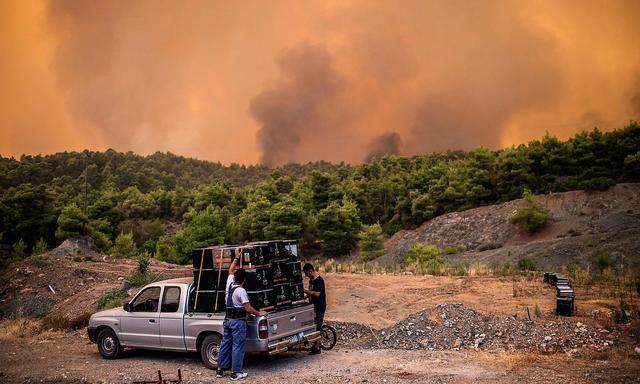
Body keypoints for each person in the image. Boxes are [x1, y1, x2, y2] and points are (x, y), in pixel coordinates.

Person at [217, 262, 267, 380]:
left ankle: (220, 370)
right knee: (237, 346)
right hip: (238, 322)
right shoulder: (241, 291)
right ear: (244, 280)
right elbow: (248, 308)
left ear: (234, 277)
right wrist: (259, 313)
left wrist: (237, 258)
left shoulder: (229, 284)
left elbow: (230, 270)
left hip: (228, 320)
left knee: (225, 344)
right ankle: (236, 373)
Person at [303, 263, 326, 355]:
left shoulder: (319, 280)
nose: (306, 275)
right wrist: (304, 297)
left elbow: (317, 293)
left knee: (318, 327)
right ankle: (315, 344)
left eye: (306, 273)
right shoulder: (311, 280)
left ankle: (317, 347)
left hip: (320, 306)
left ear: (310, 271)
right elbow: (310, 292)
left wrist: (305, 291)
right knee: (314, 325)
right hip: (313, 306)